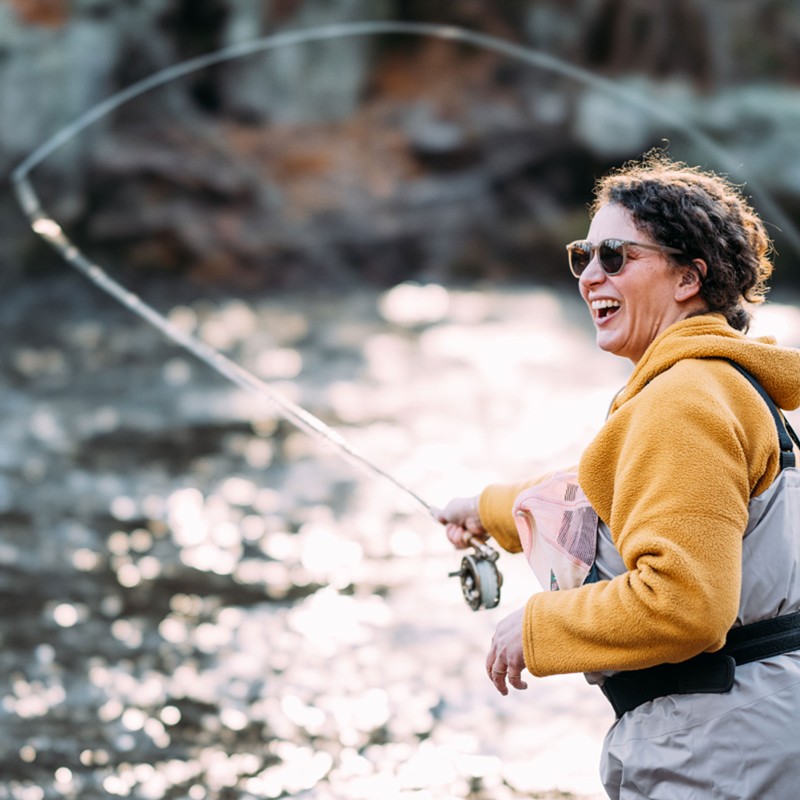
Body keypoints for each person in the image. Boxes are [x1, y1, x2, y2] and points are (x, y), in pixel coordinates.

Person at [435, 151, 800, 799]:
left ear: (689, 278)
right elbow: (612, 494)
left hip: (719, 746)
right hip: (754, 727)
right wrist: (489, 509)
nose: (589, 276)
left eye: (616, 257)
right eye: (584, 256)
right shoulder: (719, 382)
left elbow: (685, 607)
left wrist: (538, 627)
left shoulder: (682, 400)